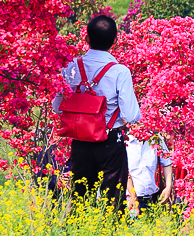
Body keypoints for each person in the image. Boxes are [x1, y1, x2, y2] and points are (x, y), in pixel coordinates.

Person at [52, 15, 140, 207]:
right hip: (109, 141)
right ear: (115, 40)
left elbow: (57, 107)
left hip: (80, 141)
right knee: (113, 203)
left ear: (86, 39)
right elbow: (130, 115)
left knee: (80, 199)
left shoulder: (70, 67)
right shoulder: (120, 71)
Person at [126, 136, 172, 216]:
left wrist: (168, 187)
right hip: (131, 200)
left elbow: (167, 162)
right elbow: (124, 170)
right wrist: (133, 195)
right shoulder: (125, 140)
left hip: (152, 198)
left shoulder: (155, 139)